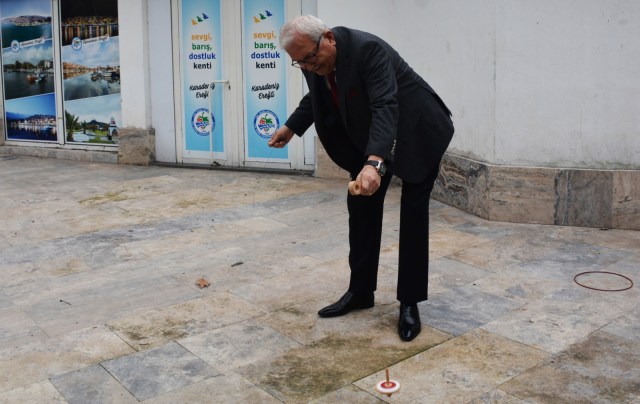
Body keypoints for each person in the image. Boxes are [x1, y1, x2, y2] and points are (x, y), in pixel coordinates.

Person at [268, 15, 454, 341]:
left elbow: (385, 105)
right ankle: (361, 291)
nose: (308, 66)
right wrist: (292, 126)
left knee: (412, 213)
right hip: (373, 134)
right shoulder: (312, 58)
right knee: (361, 206)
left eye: (310, 58)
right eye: (300, 63)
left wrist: (375, 163)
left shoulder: (368, 50)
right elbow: (318, 94)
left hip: (417, 130)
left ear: (329, 38)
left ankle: (409, 302)